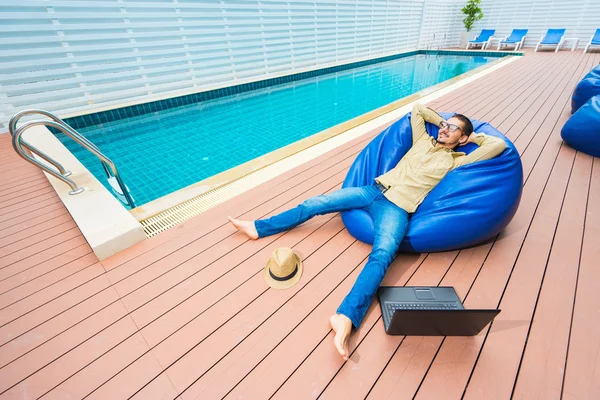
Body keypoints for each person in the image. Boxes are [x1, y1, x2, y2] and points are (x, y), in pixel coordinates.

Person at [228, 103, 506, 360]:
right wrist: (445, 122)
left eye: (453, 128)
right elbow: (418, 110)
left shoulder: (457, 160)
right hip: (372, 190)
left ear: (464, 139)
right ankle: (258, 228)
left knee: (383, 254)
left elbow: (497, 145)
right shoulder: (423, 139)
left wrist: (472, 136)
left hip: (396, 209)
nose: (444, 129)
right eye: (445, 124)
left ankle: (346, 316)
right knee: (316, 203)